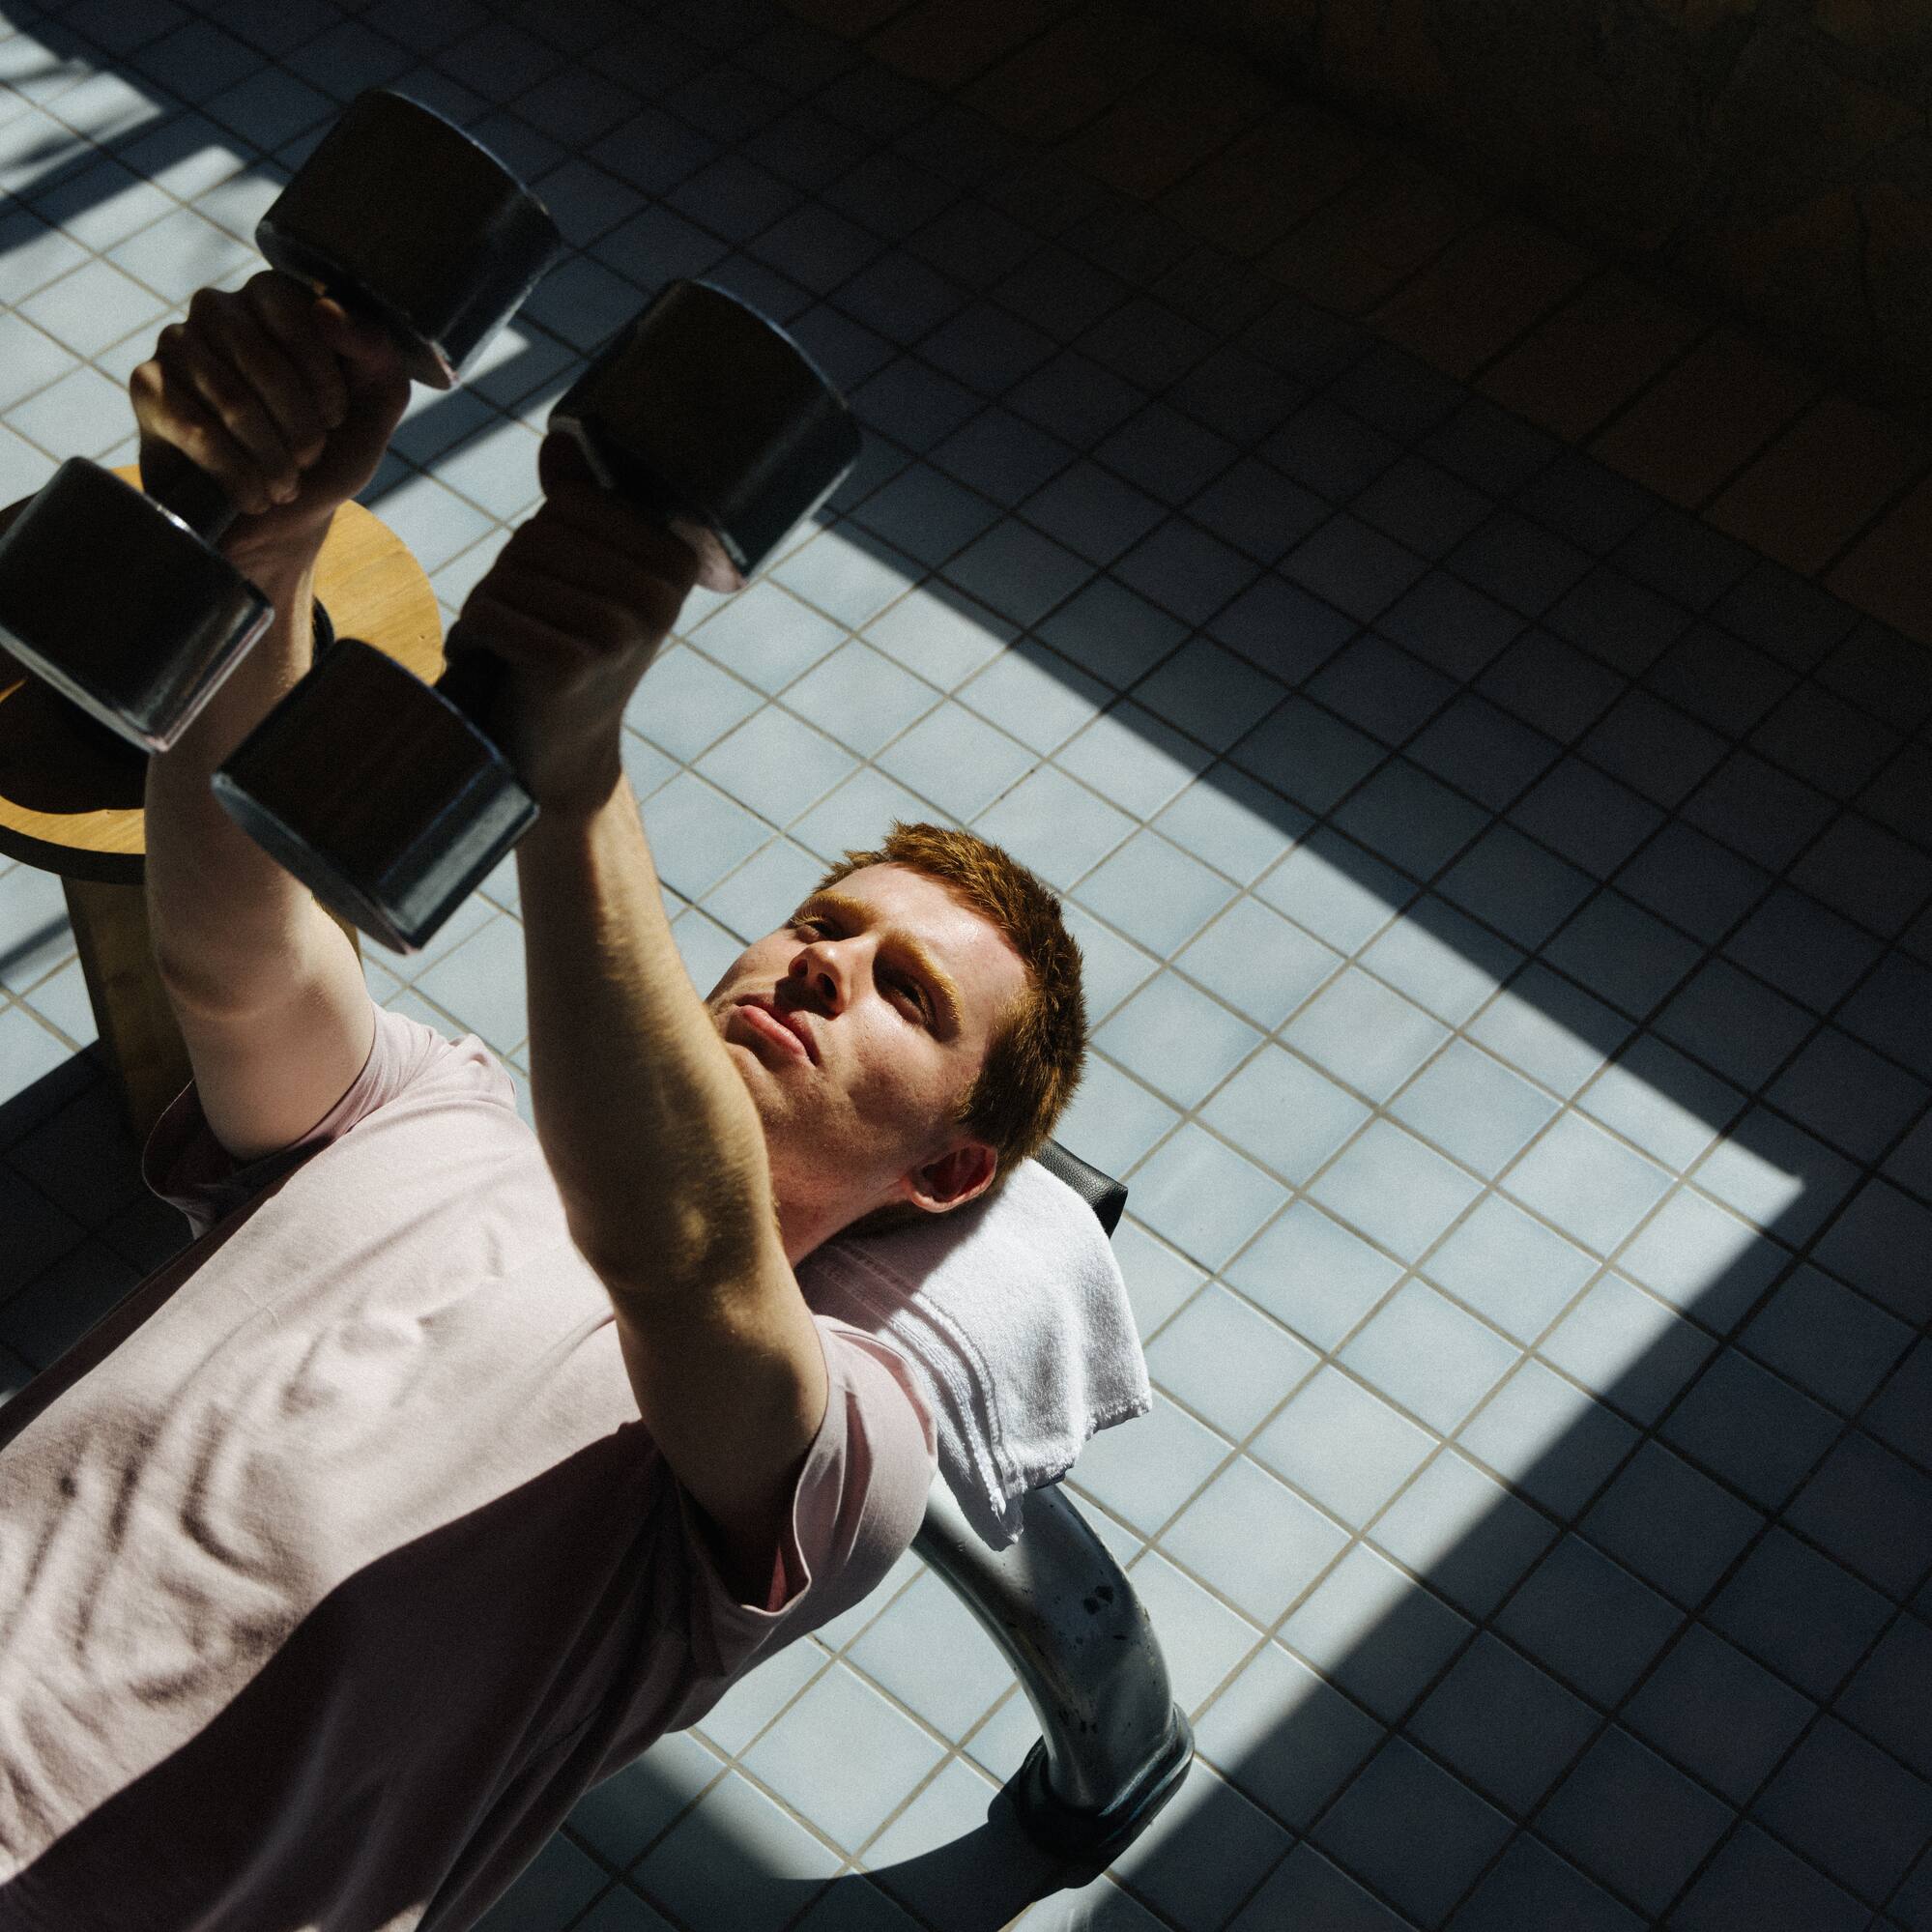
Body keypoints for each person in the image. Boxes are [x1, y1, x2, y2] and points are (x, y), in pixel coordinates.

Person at [0, 274, 1087, 1930]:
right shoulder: (430, 1103)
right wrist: (271, 544)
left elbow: (682, 1252)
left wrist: (573, 781)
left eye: (905, 998)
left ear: (947, 1174)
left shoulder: (840, 1454)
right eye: (823, 925)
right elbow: (235, 965)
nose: (823, 971)